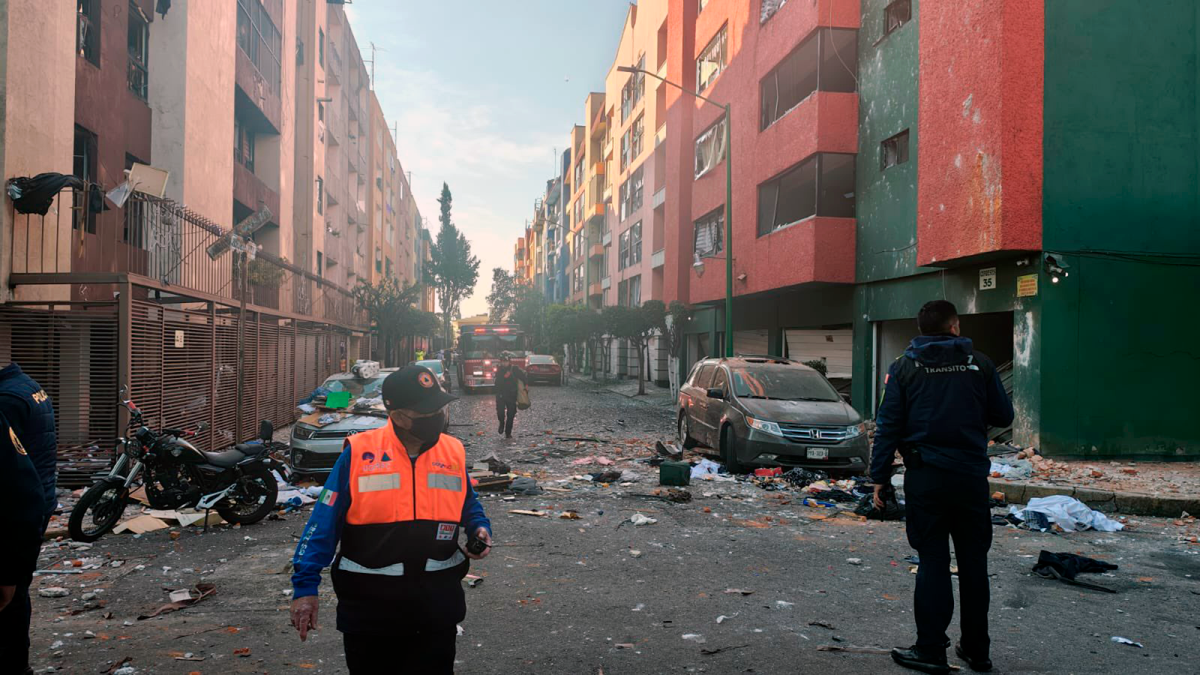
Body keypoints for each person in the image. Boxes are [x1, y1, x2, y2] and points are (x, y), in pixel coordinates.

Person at [289, 365, 491, 674]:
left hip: (437, 606)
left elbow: (468, 503)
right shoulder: (360, 453)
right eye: (426, 412)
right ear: (396, 415)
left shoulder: (452, 451)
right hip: (371, 610)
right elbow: (323, 524)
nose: (437, 416)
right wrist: (305, 589)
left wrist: (479, 527)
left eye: (439, 408)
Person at [871, 300, 1013, 675]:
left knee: (933, 559)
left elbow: (888, 427)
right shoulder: (979, 364)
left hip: (927, 478)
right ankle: (977, 651)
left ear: (920, 331)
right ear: (955, 327)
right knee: (973, 563)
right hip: (969, 477)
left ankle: (931, 649)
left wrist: (879, 479)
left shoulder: (904, 368)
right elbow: (1004, 415)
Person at [0, 363, 57, 675]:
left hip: (21, 505)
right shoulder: (26, 385)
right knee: (17, 589)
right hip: (37, 497)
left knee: (12, 595)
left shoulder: (7, 398)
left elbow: (10, 471)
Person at [493, 352, 526, 439]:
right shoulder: (498, 369)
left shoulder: (515, 369)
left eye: (505, 361)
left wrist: (525, 386)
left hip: (511, 395)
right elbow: (496, 382)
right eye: (502, 361)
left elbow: (523, 376)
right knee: (500, 413)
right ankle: (501, 423)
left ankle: (508, 433)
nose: (504, 363)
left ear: (509, 361)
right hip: (501, 395)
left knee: (511, 415)